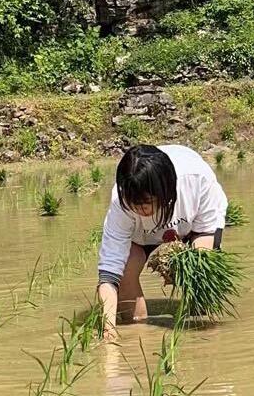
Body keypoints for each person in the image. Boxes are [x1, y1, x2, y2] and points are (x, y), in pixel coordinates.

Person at [96, 143, 228, 341]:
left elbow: (205, 233)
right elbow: (109, 273)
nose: (140, 208)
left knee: (200, 277)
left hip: (192, 227)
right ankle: (138, 331)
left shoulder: (197, 180)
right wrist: (108, 328)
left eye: (147, 202)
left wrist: (191, 269)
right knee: (126, 271)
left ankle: (204, 340)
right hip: (141, 237)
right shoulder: (121, 203)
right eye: (134, 204)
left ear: (166, 190)